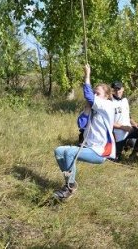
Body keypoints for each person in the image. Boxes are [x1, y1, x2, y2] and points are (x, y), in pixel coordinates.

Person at [53, 64, 116, 201]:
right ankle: (70, 182)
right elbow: (81, 124)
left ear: (106, 96)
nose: (94, 95)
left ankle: (68, 188)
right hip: (89, 147)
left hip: (100, 151)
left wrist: (87, 75)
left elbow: (88, 95)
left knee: (69, 153)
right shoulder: (93, 107)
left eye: (97, 93)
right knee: (58, 151)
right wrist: (87, 109)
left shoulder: (107, 105)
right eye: (94, 92)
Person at [110, 81, 138, 161]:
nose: (117, 91)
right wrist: (122, 127)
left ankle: (133, 154)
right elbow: (108, 122)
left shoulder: (125, 100)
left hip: (129, 130)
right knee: (116, 158)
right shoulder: (110, 102)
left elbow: (128, 116)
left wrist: (136, 124)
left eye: (119, 89)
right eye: (115, 89)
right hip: (117, 134)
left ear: (123, 89)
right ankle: (122, 147)